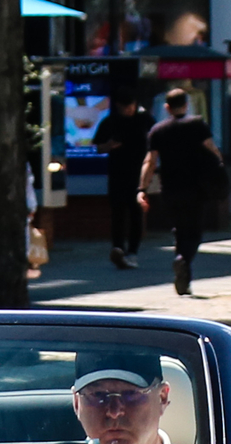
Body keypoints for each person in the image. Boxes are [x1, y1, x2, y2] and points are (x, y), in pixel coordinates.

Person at [69, 346, 199, 444]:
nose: (114, 411)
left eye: (131, 394)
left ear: (162, 398)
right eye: (98, 395)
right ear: (77, 403)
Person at [138, 87, 224, 296]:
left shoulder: (158, 130)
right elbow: (211, 148)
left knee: (179, 229)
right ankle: (183, 260)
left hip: (170, 188)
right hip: (195, 187)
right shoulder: (197, 125)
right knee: (194, 232)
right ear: (186, 104)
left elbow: (150, 161)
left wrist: (142, 188)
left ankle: (183, 272)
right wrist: (220, 168)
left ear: (167, 107)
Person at [92, 91, 152, 268]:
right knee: (118, 213)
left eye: (131, 106)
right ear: (118, 106)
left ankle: (132, 251)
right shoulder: (110, 122)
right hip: (117, 173)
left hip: (138, 174)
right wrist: (109, 145)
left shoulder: (143, 120)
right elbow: (99, 148)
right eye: (125, 107)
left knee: (136, 213)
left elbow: (154, 142)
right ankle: (118, 248)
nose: (129, 110)